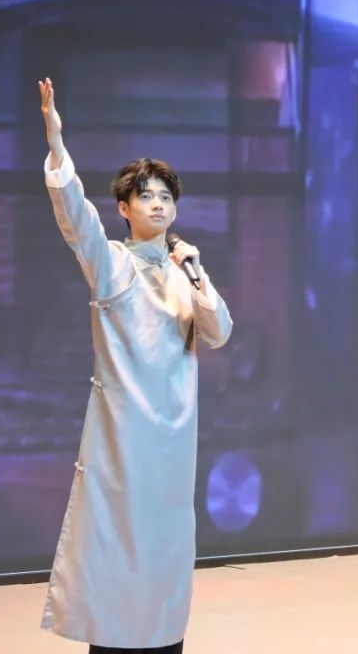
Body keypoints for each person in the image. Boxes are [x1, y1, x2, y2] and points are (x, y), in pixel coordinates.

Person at [36, 78, 233, 653]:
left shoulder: (185, 274)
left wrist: (197, 274)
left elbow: (219, 332)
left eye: (166, 196)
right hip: (122, 443)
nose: (159, 204)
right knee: (116, 556)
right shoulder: (113, 265)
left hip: (173, 446)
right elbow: (75, 217)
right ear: (124, 209)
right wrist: (56, 144)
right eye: (146, 196)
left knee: (165, 559)